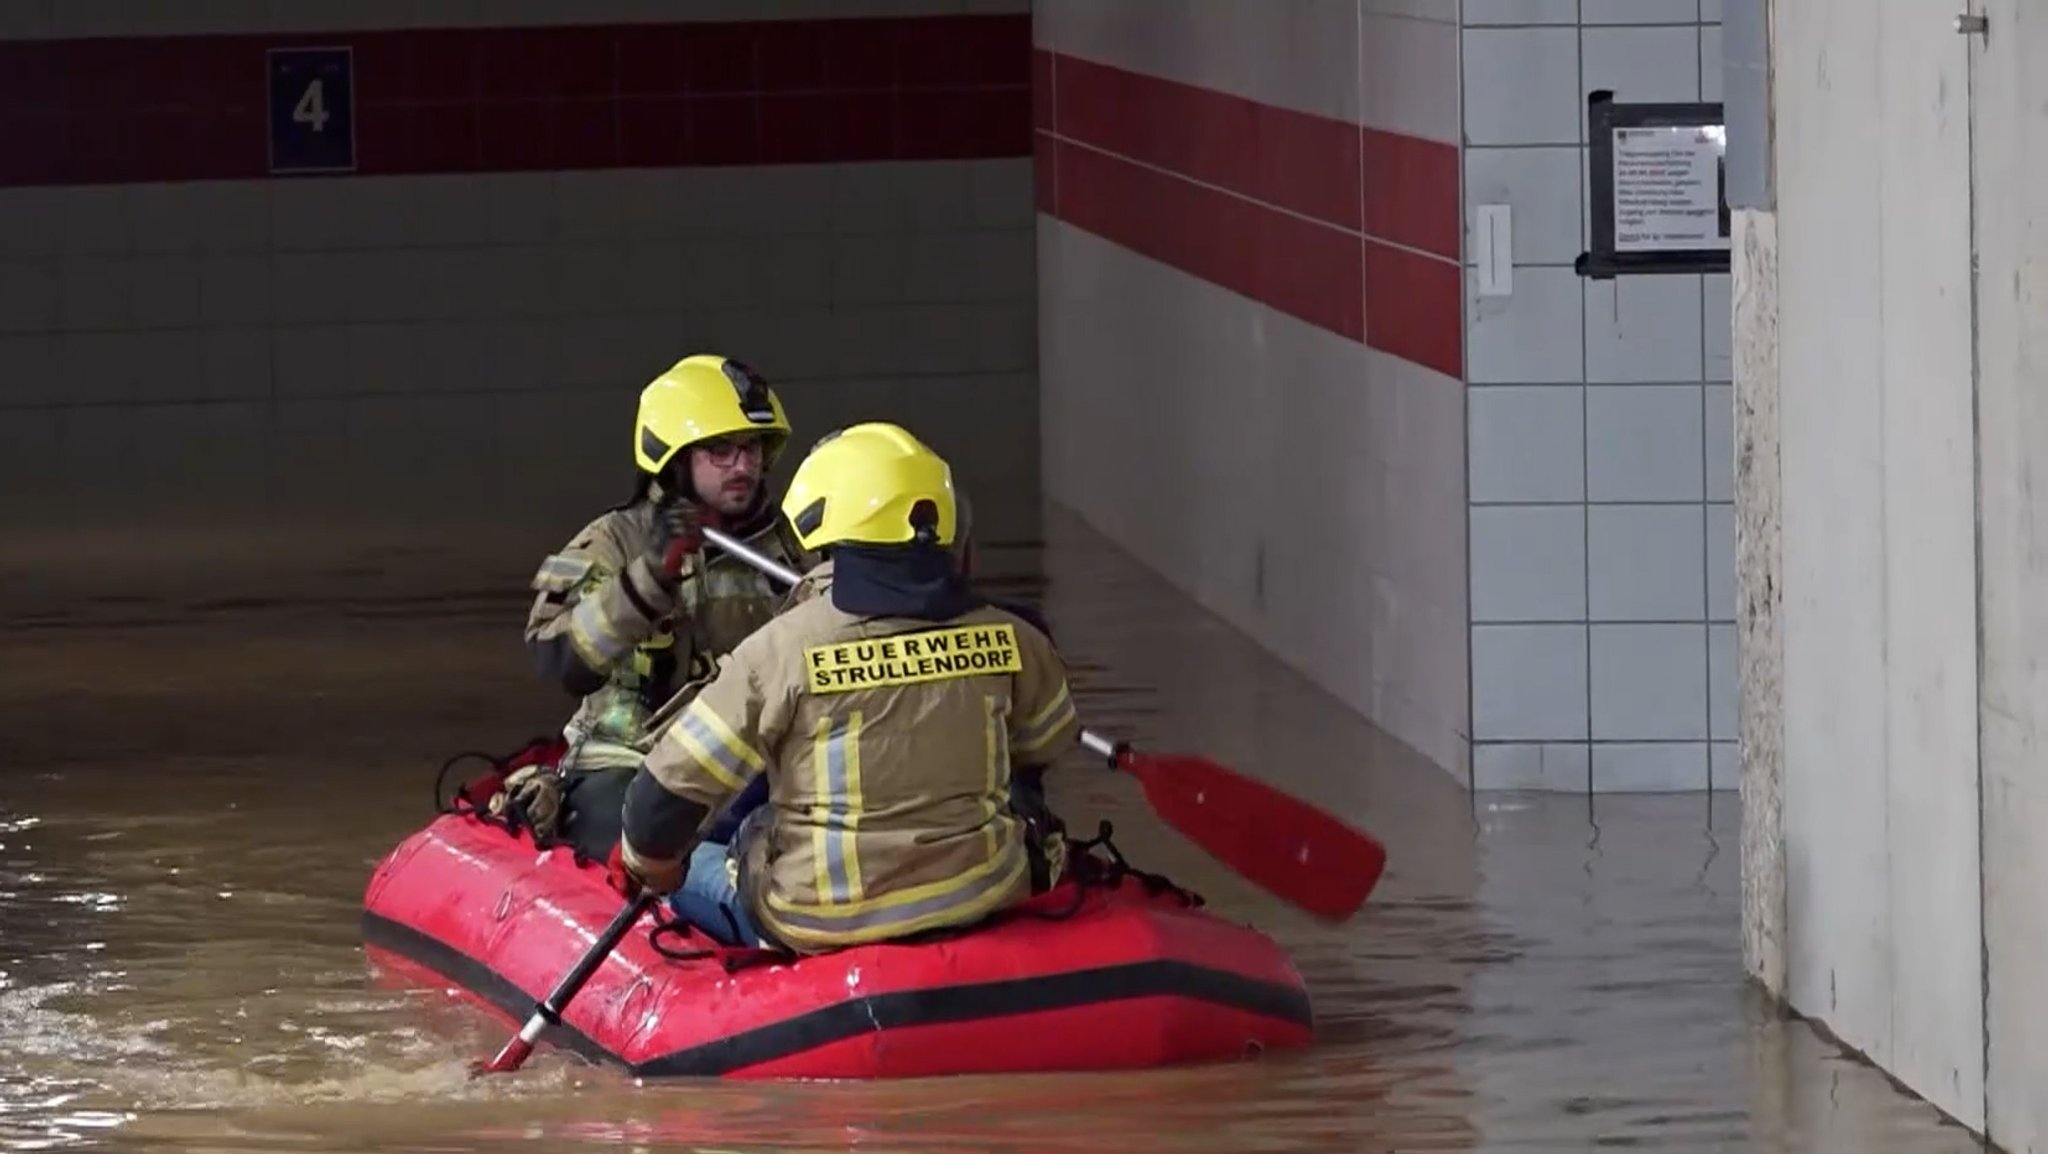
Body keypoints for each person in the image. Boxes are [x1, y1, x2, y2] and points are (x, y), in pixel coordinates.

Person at [604, 422, 1083, 954]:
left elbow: (659, 803)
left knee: (700, 863)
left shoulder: (776, 653)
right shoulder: (1017, 637)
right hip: (980, 891)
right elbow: (1044, 746)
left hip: (820, 920)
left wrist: (648, 866)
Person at [497, 354, 812, 862]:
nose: (744, 466)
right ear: (674, 458)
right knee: (647, 844)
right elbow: (559, 660)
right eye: (721, 450)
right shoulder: (613, 542)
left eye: (752, 448)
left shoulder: (795, 547)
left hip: (758, 760)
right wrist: (649, 579)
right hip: (631, 760)